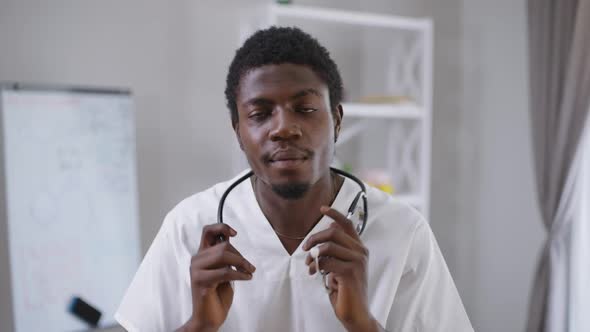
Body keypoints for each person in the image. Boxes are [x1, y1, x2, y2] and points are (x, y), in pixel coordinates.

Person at [115, 26, 473, 332]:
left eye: (305, 109)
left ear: (336, 120)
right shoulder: (188, 227)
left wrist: (363, 324)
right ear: (238, 131)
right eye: (260, 113)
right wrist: (199, 327)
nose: (284, 128)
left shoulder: (402, 232)